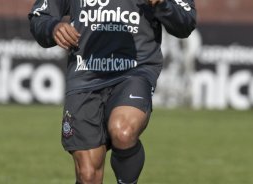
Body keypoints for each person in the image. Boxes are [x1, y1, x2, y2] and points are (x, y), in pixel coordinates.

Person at [28, 0, 196, 183]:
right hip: (85, 75)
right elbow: (40, 16)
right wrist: (53, 27)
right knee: (88, 175)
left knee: (122, 131)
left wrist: (162, 4)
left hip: (134, 70)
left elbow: (185, 22)